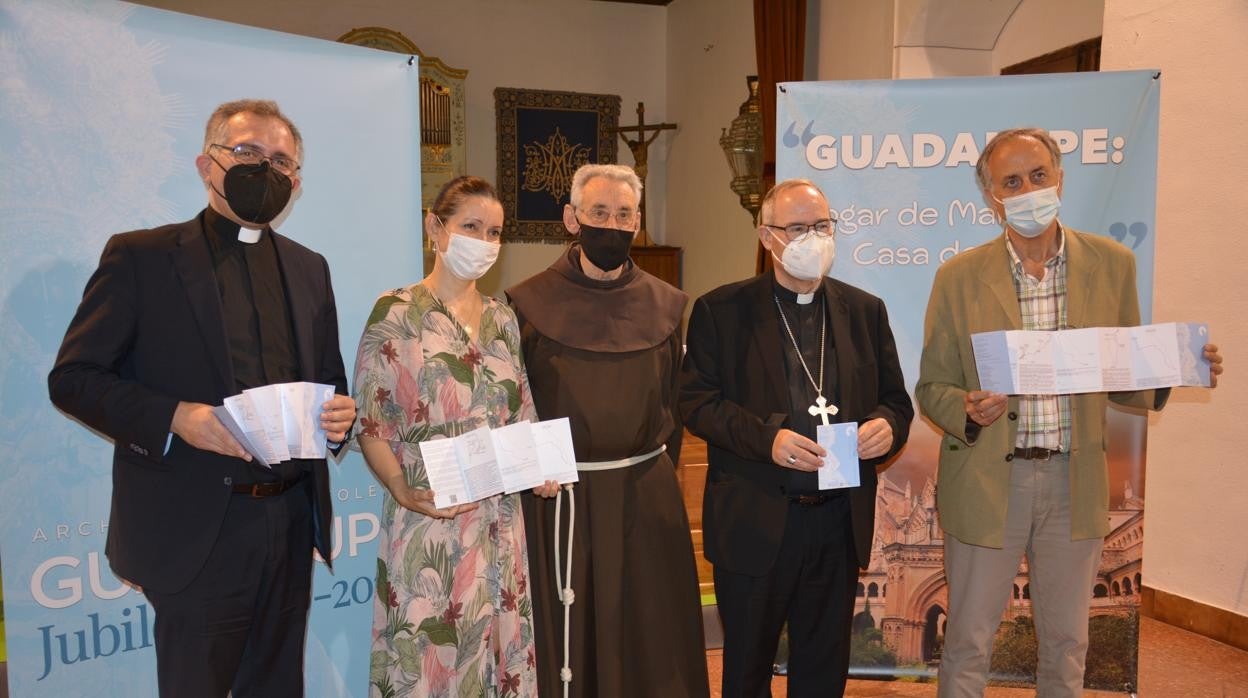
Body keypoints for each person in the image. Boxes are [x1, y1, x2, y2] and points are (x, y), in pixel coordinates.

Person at [47, 99, 357, 697]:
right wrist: (174, 417)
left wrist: (340, 415)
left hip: (289, 522)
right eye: (246, 152)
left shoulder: (310, 268)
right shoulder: (141, 257)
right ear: (205, 163)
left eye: (281, 161)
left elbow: (329, 380)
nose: (263, 169)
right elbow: (74, 377)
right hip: (197, 528)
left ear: (295, 182)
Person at [916, 127, 1225, 698]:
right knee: (967, 641)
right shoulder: (957, 277)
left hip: (1072, 480)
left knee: (1066, 644)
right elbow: (931, 385)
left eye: (1038, 175)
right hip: (987, 481)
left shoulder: (1111, 264)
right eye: (1011, 181)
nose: (1028, 189)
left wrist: (1179, 368)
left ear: (1060, 178)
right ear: (992, 197)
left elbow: (1124, 374)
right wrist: (966, 406)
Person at [680, 178, 912, 697]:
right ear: (768, 237)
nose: (815, 238)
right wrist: (768, 440)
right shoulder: (721, 310)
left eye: (823, 226)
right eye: (799, 228)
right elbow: (697, 403)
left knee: (823, 668)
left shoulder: (865, 310)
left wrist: (887, 427)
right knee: (746, 670)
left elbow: (897, 401)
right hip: (757, 517)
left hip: (836, 521)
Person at [507, 163, 709, 698]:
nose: (612, 225)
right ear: (572, 219)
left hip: (645, 493)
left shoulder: (667, 305)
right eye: (599, 213)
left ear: (637, 222)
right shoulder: (525, 304)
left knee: (651, 632)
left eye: (624, 215)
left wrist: (649, 466)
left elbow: (674, 405)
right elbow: (516, 404)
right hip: (560, 499)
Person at [352, 176, 556, 697]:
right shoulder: (396, 313)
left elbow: (522, 414)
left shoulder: (503, 319)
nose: (484, 243)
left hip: (500, 526)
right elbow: (371, 422)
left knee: (498, 658)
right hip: (430, 523)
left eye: (494, 232)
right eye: (471, 227)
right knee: (429, 664)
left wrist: (541, 470)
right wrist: (399, 486)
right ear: (434, 228)